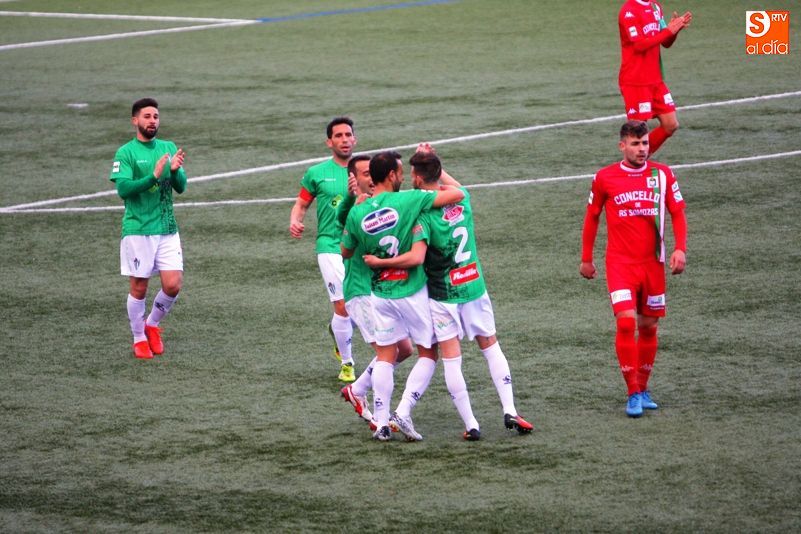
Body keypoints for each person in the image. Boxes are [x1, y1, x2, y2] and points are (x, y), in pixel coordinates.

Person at [365, 146, 534, 439]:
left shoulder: (422, 217)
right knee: (491, 346)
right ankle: (509, 408)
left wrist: (381, 261)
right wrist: (432, 161)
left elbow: (416, 256)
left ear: (416, 177)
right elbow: (455, 186)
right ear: (438, 173)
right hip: (474, 286)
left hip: (443, 296)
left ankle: (472, 425)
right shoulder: (462, 199)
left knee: (451, 359)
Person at [340, 151, 465, 441]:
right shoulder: (410, 198)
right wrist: (435, 172)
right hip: (411, 291)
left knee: (385, 355)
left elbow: (345, 251)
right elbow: (457, 195)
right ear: (393, 175)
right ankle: (403, 412)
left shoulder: (359, 211)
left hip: (379, 294)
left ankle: (382, 424)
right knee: (428, 353)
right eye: (399, 172)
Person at [580, 120, 687, 417]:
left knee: (649, 326)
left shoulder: (663, 175)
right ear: (622, 145)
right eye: (636, 144)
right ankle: (631, 393)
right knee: (626, 323)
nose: (642, 149)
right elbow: (592, 217)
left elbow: (677, 212)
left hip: (653, 264)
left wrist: (680, 248)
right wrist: (586, 258)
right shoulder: (604, 178)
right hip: (620, 264)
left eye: (645, 144)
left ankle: (642, 386)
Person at [336, 155, 415, 427]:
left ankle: (357, 390)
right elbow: (341, 221)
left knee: (404, 349)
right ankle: (385, 416)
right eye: (364, 173)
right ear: (353, 179)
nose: (370, 178)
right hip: (360, 291)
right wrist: (350, 200)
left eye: (373, 172)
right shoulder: (355, 208)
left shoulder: (379, 204)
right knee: (389, 352)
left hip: (380, 291)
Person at [109, 97, 187, 359]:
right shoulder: (126, 153)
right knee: (139, 287)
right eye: (147, 116)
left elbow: (182, 186)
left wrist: (174, 171)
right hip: (138, 228)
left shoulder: (168, 147)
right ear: (135, 121)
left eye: (155, 116)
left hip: (167, 227)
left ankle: (151, 324)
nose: (152, 121)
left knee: (173, 284)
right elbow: (123, 189)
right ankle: (138, 337)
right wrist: (153, 176)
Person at [289, 117, 358, 382]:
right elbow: (301, 204)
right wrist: (295, 220)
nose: (344, 139)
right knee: (342, 306)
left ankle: (336, 331)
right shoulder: (316, 173)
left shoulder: (366, 169)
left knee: (358, 304)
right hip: (330, 245)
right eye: (338, 135)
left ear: (355, 139)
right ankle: (348, 363)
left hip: (359, 246)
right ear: (329, 142)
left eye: (348, 135)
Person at [618, 1, 691, 155]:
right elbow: (638, 46)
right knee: (637, 132)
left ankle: (639, 160)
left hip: (655, 79)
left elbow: (665, 42)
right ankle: (634, 166)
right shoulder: (628, 11)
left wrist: (673, 31)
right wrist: (667, 31)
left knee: (670, 124)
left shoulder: (655, 6)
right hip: (635, 81)